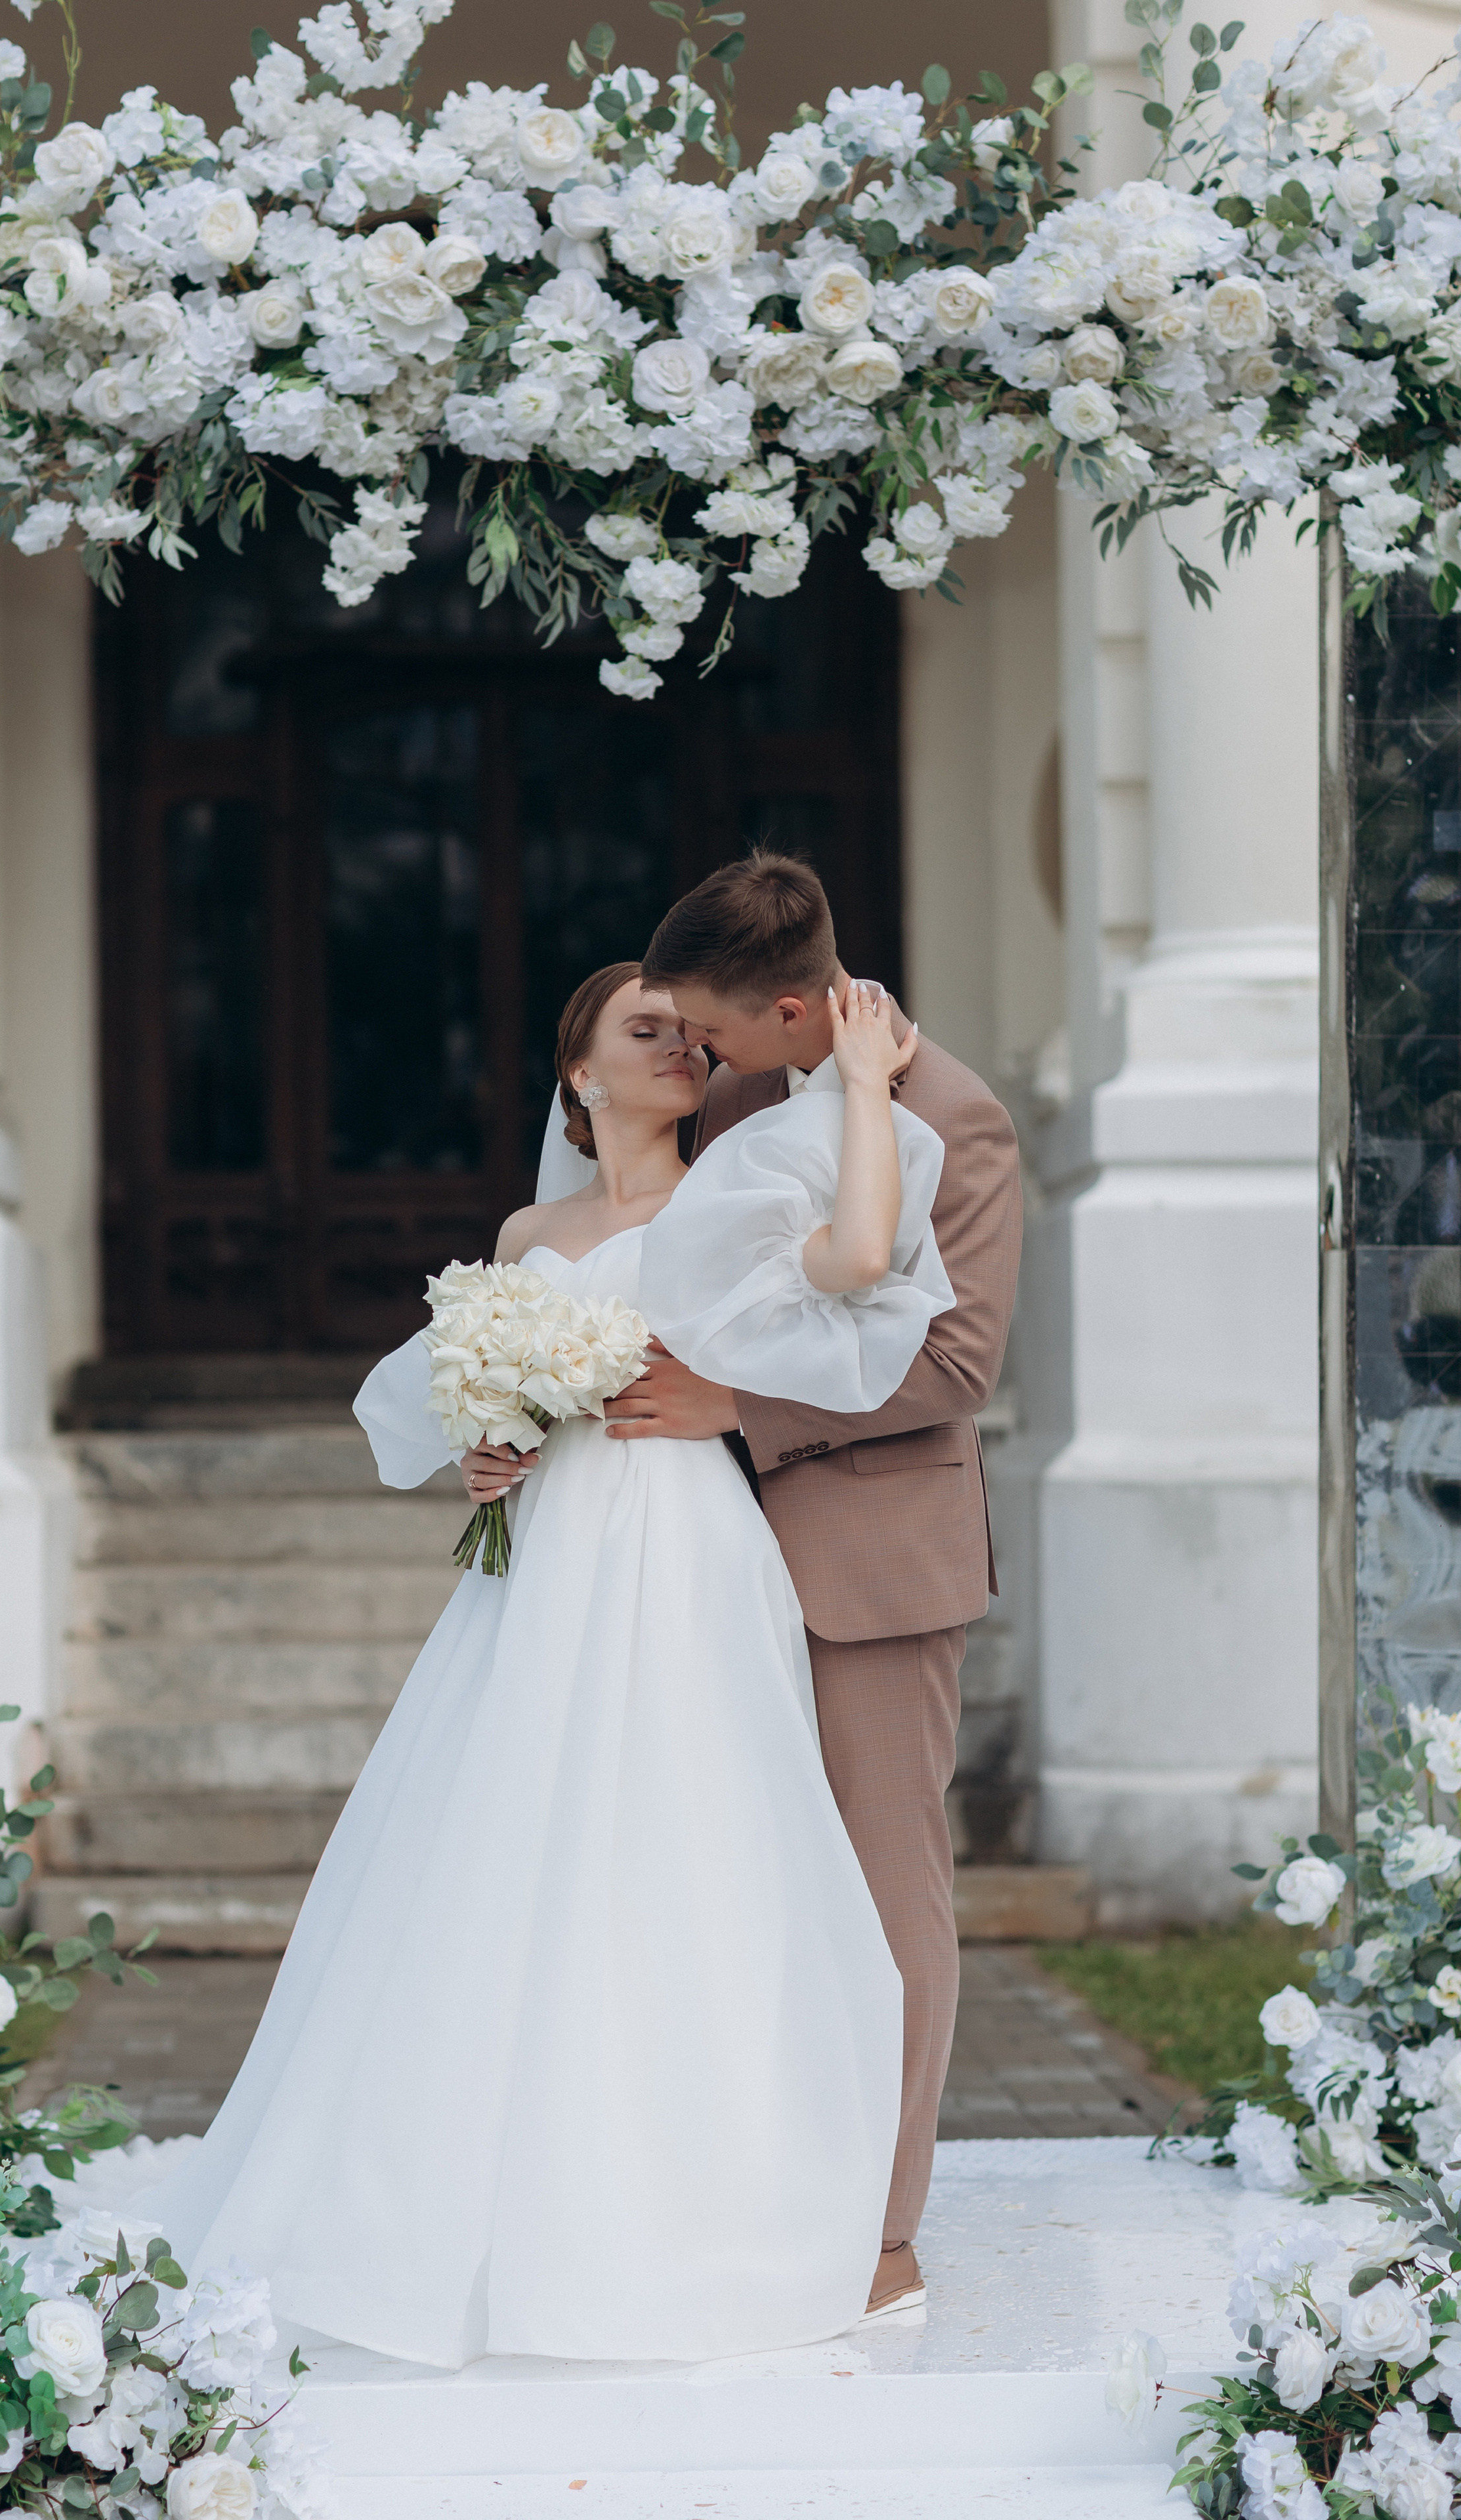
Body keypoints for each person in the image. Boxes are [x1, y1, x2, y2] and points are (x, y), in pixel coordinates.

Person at [146, 959, 953, 2370]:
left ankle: (706, 2189)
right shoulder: (528, 1232)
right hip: (546, 1557)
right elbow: (488, 1388)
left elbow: (856, 1276)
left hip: (687, 1544)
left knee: (687, 1837)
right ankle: (473, 2192)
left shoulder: (738, 1194)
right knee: (504, 1838)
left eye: (689, 1034)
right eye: (645, 1032)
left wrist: (864, 1089)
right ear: (577, 1073)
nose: (679, 1050)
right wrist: (488, 1447)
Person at [603, 852, 1025, 2327]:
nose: (696, 1059)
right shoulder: (732, 1108)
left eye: (712, 1031)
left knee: (886, 1891)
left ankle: (885, 2228)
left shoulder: (954, 1119)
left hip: (871, 1567)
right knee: (734, 1880)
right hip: (703, 1557)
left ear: (792, 1011)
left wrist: (738, 1412)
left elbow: (957, 1364)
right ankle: (748, 2188)